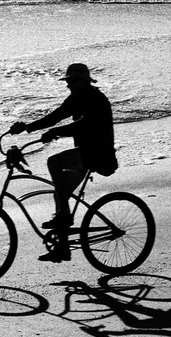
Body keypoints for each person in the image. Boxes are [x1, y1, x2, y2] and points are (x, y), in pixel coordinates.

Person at [7, 63, 117, 260]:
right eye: (68, 82)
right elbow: (55, 117)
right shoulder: (76, 98)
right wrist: (26, 127)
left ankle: (64, 217)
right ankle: (62, 248)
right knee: (60, 195)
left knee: (54, 162)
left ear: (83, 81)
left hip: (98, 155)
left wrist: (56, 132)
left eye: (71, 81)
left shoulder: (97, 100)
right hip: (84, 153)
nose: (68, 85)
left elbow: (84, 125)